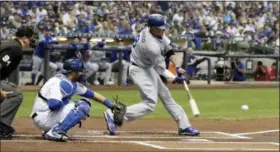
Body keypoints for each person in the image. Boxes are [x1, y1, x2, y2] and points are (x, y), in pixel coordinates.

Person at [104, 14, 200, 136]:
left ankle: (184, 126)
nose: (163, 30)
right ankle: (113, 115)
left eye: (163, 28)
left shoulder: (156, 32)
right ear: (152, 28)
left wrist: (178, 67)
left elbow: (169, 50)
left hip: (147, 67)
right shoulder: (151, 46)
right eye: (160, 28)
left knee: (166, 96)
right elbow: (161, 70)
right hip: (138, 70)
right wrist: (175, 78)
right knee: (150, 103)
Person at [30, 58, 124, 141]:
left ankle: (50, 130)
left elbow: (93, 95)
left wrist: (111, 105)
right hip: (43, 117)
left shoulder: (71, 82)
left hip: (45, 115)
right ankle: (55, 131)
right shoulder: (59, 82)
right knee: (81, 106)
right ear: (74, 72)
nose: (83, 74)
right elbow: (53, 105)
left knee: (82, 103)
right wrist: (71, 107)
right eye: (81, 71)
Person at [0, 25, 38, 139]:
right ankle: (1, 126)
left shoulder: (11, 44)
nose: (34, 40)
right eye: (32, 37)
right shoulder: (16, 48)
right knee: (16, 95)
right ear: (25, 38)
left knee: (9, 88)